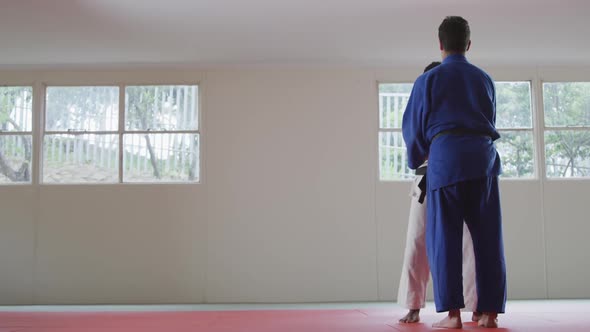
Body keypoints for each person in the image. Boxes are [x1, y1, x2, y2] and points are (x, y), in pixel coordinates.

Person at [401, 16, 507, 329]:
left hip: (446, 162)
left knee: (444, 238)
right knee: (488, 240)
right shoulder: (484, 78)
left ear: (440, 45)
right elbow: (490, 118)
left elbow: (413, 128)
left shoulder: (428, 81)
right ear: (468, 45)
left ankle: (453, 316)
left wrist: (416, 158)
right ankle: (489, 314)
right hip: (484, 161)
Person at [397, 61, 479, 325]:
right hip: (426, 175)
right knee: (418, 240)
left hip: (458, 174)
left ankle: (475, 305)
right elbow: (413, 143)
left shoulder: (456, 105)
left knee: (468, 241)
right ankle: (413, 304)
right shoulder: (421, 106)